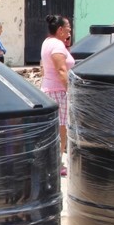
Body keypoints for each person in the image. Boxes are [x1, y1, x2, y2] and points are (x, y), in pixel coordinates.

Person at [40, 14, 74, 177]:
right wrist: (70, 91)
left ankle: (52, 161)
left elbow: (43, 68)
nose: (70, 31)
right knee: (61, 129)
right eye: (68, 28)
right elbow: (62, 71)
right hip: (59, 91)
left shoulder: (48, 43)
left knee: (53, 128)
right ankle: (57, 163)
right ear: (60, 29)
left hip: (48, 88)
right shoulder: (57, 46)